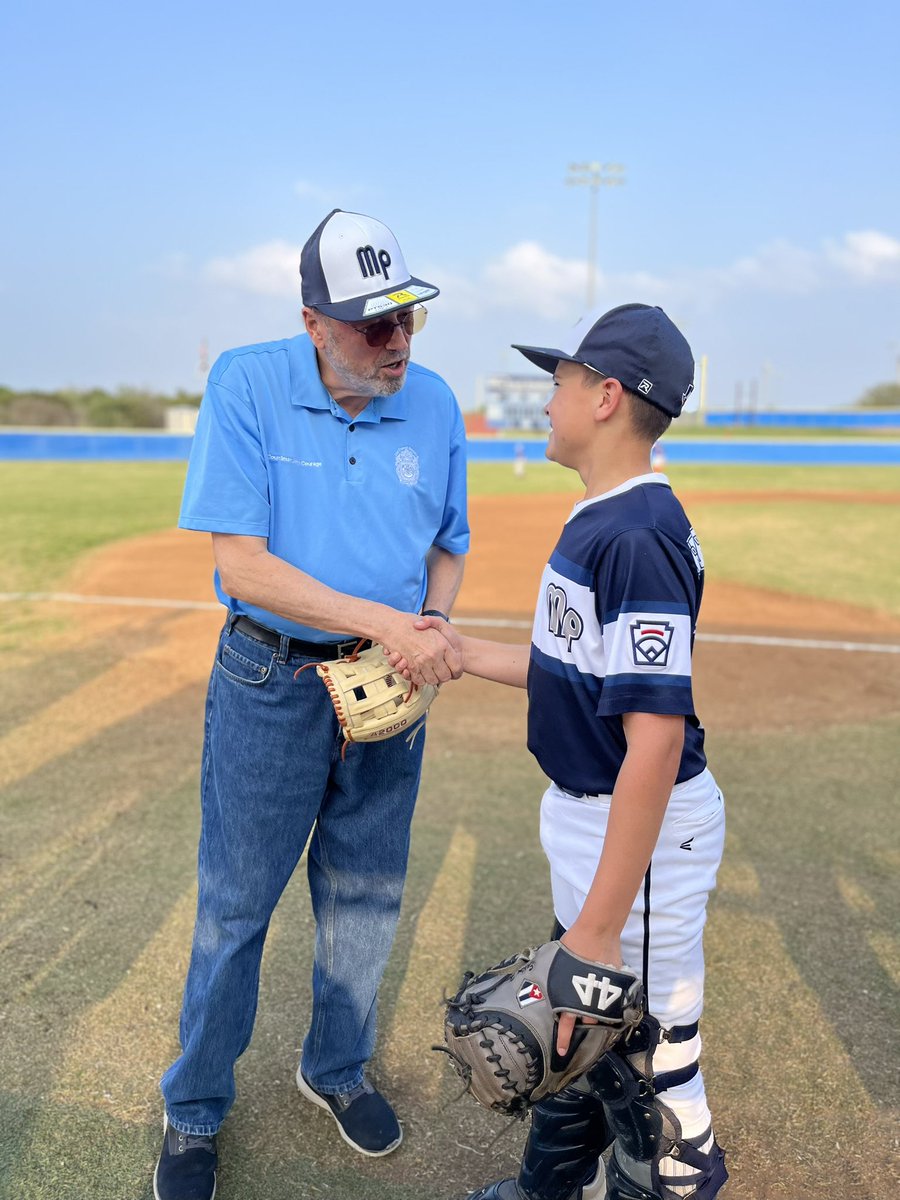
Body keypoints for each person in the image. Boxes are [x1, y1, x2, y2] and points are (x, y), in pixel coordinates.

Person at [152, 208, 469, 1200]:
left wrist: (424, 624)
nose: (397, 343)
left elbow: (449, 542)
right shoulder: (247, 382)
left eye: (408, 319)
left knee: (367, 902)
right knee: (236, 910)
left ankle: (334, 1069)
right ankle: (195, 1111)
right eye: (374, 326)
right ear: (313, 321)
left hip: (388, 688)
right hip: (271, 682)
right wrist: (389, 621)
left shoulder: (436, 403)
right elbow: (243, 565)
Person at [416, 304, 728, 1200]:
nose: (545, 396)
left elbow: (656, 742)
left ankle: (672, 1183)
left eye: (558, 381)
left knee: (651, 1073)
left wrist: (596, 929)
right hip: (598, 829)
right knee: (577, 1038)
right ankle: (549, 1187)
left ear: (606, 397)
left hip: (642, 841)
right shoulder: (603, 518)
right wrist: (466, 654)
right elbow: (579, 674)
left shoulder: (636, 536)